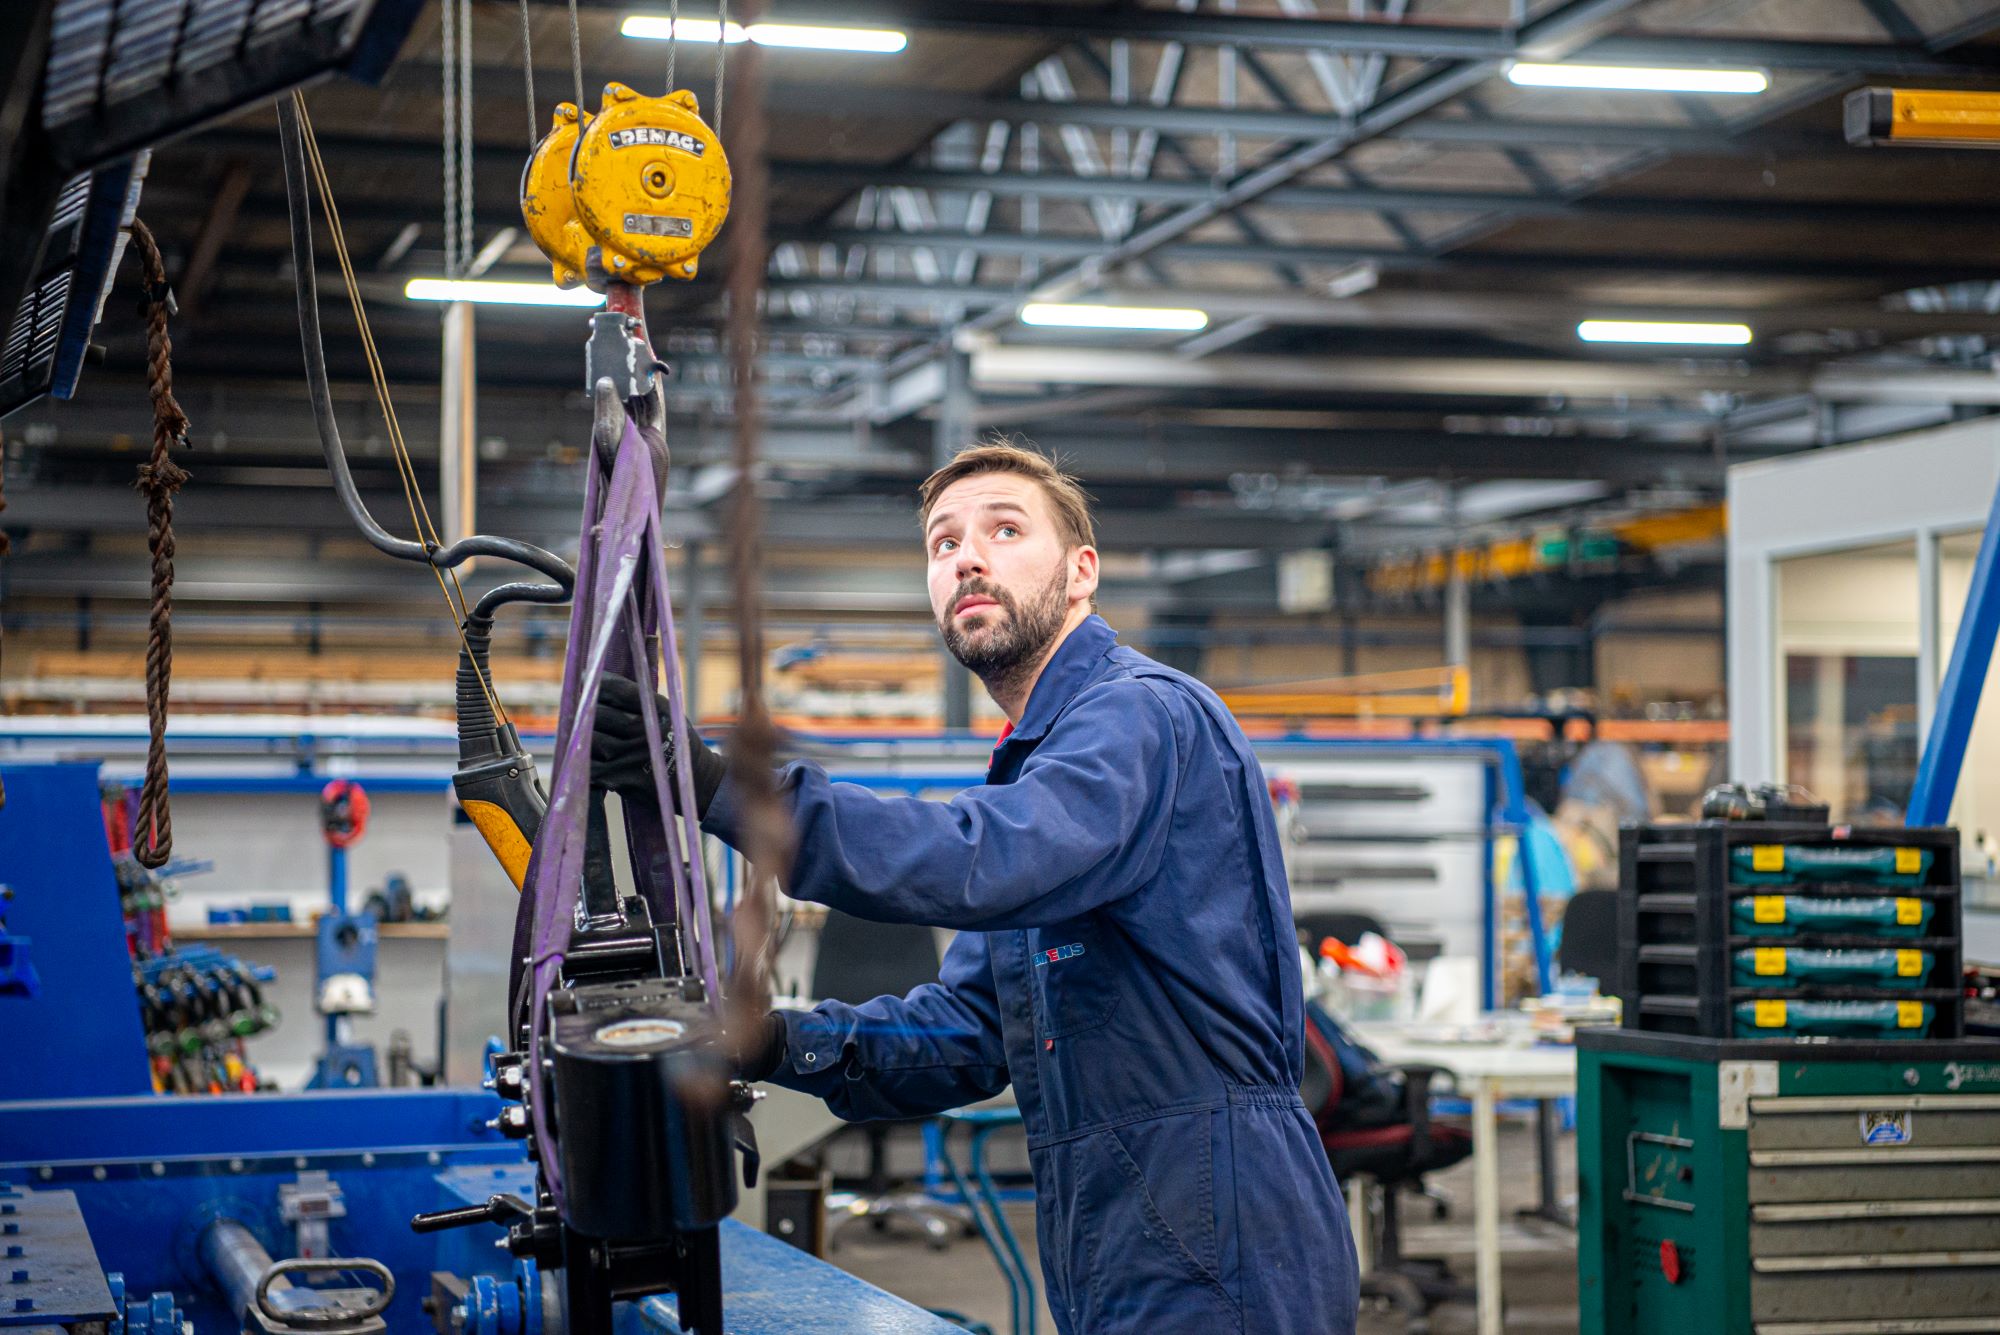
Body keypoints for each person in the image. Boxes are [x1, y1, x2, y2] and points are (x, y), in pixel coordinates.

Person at [596, 442, 1358, 1334]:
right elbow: (968, 1035)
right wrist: (774, 1044)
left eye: (1004, 529)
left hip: (1220, 1227)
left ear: (1082, 573)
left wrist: (729, 792)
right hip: (1116, 1228)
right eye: (942, 542)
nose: (967, 556)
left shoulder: (1138, 716)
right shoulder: (1041, 765)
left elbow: (981, 857)